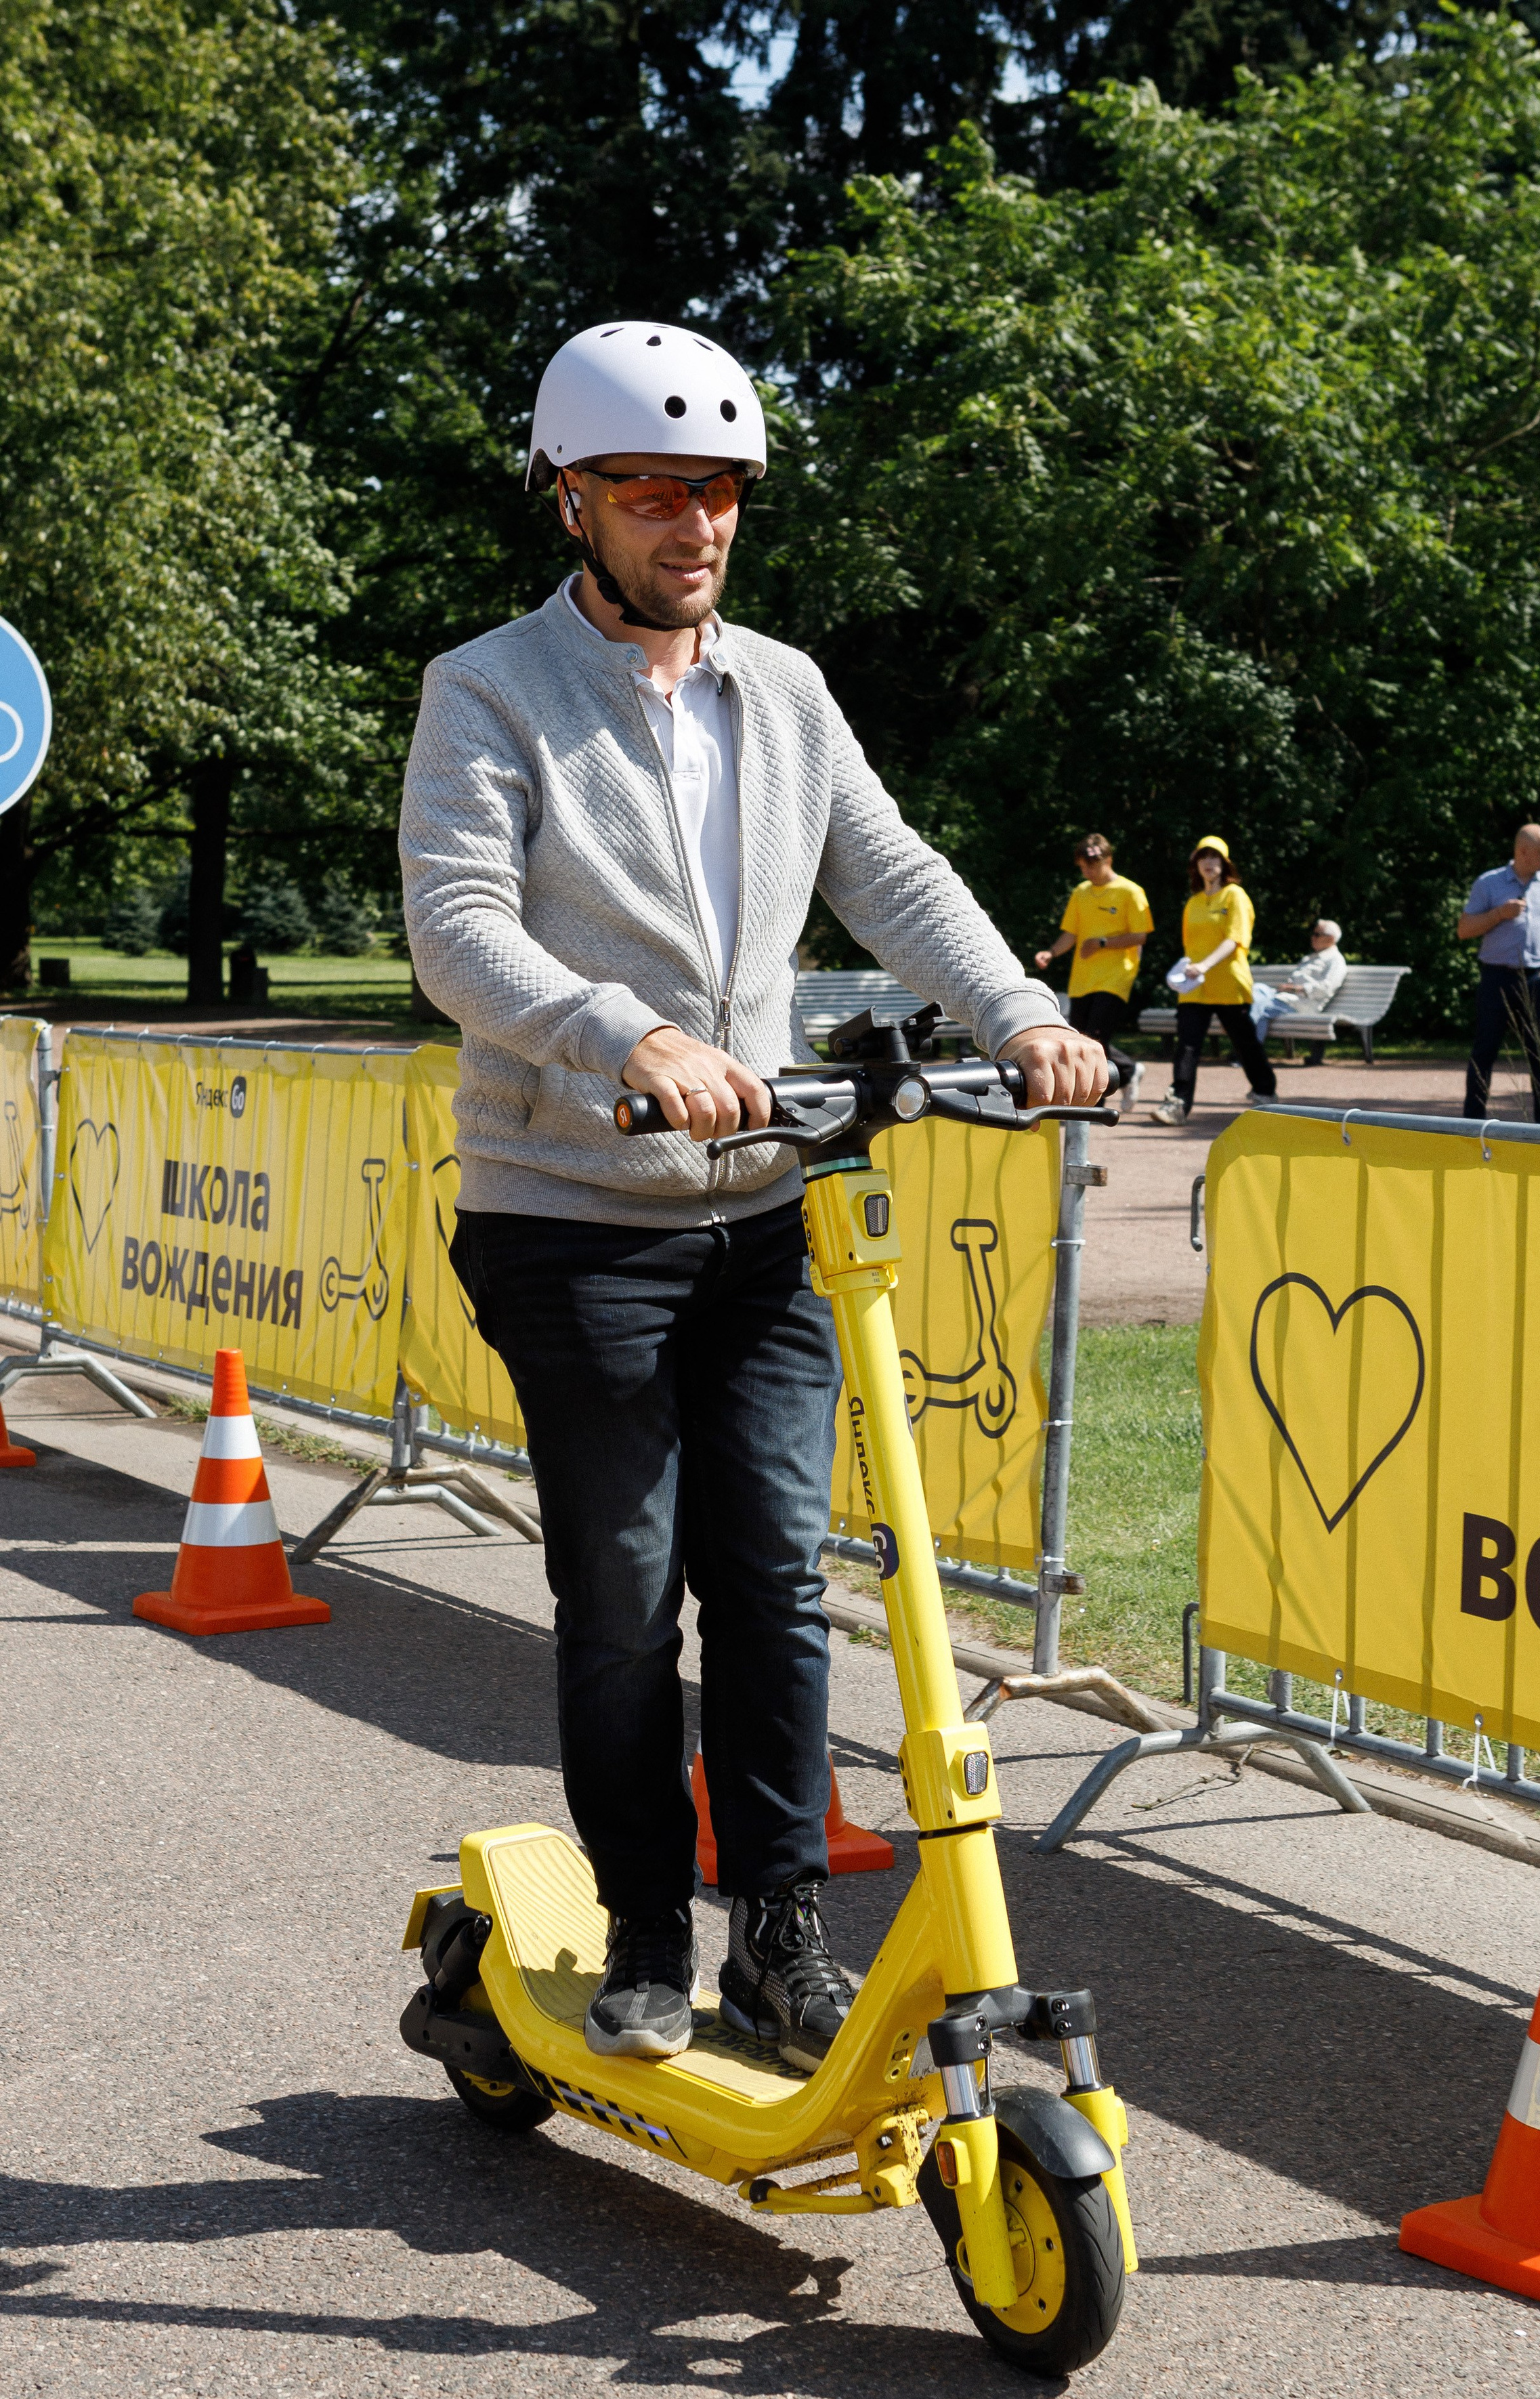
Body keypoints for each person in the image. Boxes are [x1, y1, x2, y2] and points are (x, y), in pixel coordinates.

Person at [398, 321, 1109, 2075]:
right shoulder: (487, 689)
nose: (692, 523)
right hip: (573, 1211)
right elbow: (455, 928)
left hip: (768, 1214)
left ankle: (781, 1940)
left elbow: (892, 872)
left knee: (778, 1575)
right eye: (650, 489)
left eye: (716, 490)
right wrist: (621, 1031)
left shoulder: (781, 689)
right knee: (630, 1588)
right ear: (573, 498)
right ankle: (644, 1927)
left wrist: (1018, 1009)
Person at [1151, 835, 1279, 1125]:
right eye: (1203, 857)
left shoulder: (1235, 896)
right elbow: (1190, 948)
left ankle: (1265, 1092)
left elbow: (1235, 940)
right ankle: (1178, 1105)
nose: (1209, 863)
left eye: (1215, 857)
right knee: (1188, 1045)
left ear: (1224, 864)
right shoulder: (1193, 903)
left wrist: (1206, 965)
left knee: (1245, 1042)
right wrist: (1185, 972)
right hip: (1194, 989)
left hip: (1229, 984)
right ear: (1196, 864)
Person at [1459, 823, 1540, 1123]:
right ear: (1523, 851)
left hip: (1538, 978)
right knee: (1484, 1051)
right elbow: (1464, 929)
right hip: (1497, 977)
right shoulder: (1489, 883)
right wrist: (1498, 914)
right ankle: (1472, 1123)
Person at [1033, 832, 1151, 1092]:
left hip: (1115, 977)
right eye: (1083, 866)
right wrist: (1051, 953)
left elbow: (1140, 936)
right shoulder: (1081, 892)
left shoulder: (1130, 892)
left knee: (1096, 1039)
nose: (1088, 871)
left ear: (1108, 858)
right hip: (1083, 980)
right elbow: (1071, 934)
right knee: (1081, 1041)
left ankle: (1096, 1102)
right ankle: (1129, 1071)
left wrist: (1102, 943)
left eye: (1093, 865)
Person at [1250, 917, 1347, 1060]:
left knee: (1263, 1007)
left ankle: (1249, 1053)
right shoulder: (1312, 957)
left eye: (1317, 935)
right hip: (1285, 996)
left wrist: (1295, 989)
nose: (1312, 938)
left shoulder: (1336, 961)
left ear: (1331, 939)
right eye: (1313, 934)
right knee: (1255, 991)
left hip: (1302, 1002)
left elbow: (1325, 989)